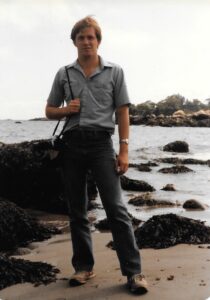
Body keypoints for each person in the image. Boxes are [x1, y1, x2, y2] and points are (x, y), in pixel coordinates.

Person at [45, 16, 148, 295]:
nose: (86, 42)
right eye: (81, 38)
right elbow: (49, 110)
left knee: (116, 209)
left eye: (91, 37)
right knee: (77, 211)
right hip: (72, 145)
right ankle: (83, 268)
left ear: (98, 41)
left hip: (102, 145)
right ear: (74, 42)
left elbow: (123, 112)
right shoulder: (63, 73)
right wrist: (67, 110)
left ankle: (133, 272)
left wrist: (124, 149)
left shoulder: (115, 71)